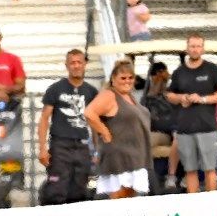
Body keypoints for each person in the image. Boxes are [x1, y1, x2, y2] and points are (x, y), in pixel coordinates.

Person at [166, 34, 217, 192]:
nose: (195, 49)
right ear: (187, 48)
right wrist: (182, 97)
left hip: (207, 127)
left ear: (203, 48)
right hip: (185, 129)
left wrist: (202, 99)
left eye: (198, 46)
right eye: (192, 46)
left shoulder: (212, 69)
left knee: (210, 169)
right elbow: (169, 95)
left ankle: (211, 203)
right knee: (190, 170)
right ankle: (194, 205)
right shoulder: (179, 72)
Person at [38, 49, 98, 205]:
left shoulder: (91, 92)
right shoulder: (56, 89)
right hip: (60, 146)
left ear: (85, 64)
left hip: (83, 146)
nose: (76, 66)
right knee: (56, 190)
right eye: (73, 62)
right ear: (67, 65)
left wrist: (98, 151)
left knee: (80, 190)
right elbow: (44, 118)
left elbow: (96, 123)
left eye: (79, 62)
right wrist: (42, 148)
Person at [85, 59, 151, 199]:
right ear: (113, 79)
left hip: (136, 158)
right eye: (123, 78)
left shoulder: (130, 97)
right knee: (119, 205)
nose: (127, 81)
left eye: (130, 78)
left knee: (132, 204)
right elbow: (89, 113)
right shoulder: (109, 95)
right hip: (120, 159)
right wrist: (104, 131)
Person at [141, 61, 179, 189]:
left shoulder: (170, 93)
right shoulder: (148, 97)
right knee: (143, 140)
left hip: (170, 132)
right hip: (155, 130)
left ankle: (172, 177)